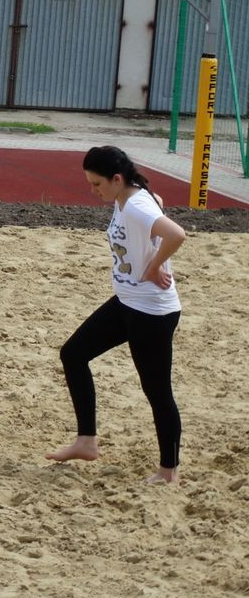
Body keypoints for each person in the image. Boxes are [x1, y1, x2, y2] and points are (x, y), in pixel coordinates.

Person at [47, 145, 186, 484]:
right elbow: (159, 207)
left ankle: (168, 472)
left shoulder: (136, 204)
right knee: (74, 354)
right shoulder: (133, 197)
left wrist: (153, 266)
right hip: (127, 302)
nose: (93, 191)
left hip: (151, 312)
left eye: (97, 184)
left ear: (117, 178)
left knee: (157, 391)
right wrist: (151, 251)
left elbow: (177, 234)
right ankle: (86, 441)